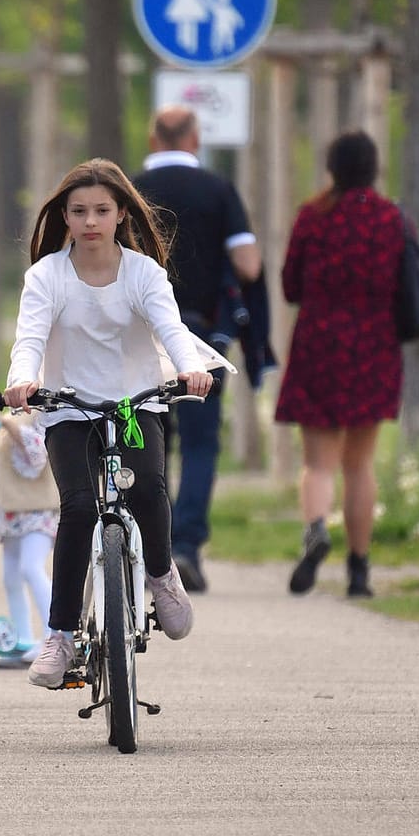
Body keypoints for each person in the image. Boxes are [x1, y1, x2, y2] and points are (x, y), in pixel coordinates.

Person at [1, 159, 210, 690]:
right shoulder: (47, 275)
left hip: (135, 404)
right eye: (78, 211)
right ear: (64, 217)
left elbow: (171, 326)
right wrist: (22, 381)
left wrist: (189, 368)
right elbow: (29, 338)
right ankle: (62, 633)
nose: (90, 220)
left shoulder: (143, 272)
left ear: (121, 214)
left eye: (101, 210)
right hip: (69, 408)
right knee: (76, 507)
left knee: (149, 490)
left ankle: (162, 577)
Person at [131, 105, 262, 593]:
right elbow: (247, 265)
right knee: (201, 443)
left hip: (139, 337)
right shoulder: (218, 190)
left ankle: (148, 546)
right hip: (201, 336)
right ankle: (185, 548)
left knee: (146, 437)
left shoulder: (130, 190)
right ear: (194, 138)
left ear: (152, 137)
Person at [275, 130, 405, 598]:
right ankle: (359, 570)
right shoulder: (390, 219)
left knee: (318, 463)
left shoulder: (313, 216)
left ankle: (315, 529)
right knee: (360, 465)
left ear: (332, 168)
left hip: (319, 345)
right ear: (373, 168)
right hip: (374, 347)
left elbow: (291, 285)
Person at [0, 409, 58, 669]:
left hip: (39, 511)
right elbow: (2, 465)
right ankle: (22, 637)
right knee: (11, 576)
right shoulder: (12, 419)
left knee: (31, 568)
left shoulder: (37, 417)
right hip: (14, 513)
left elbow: (37, 455)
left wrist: (6, 424)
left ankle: (53, 634)